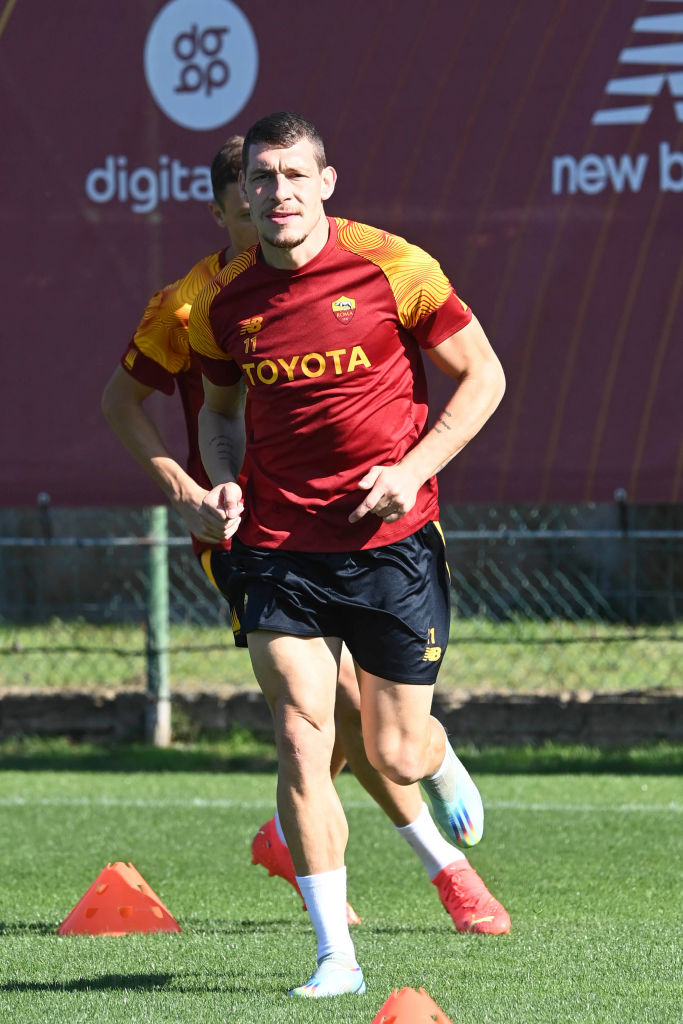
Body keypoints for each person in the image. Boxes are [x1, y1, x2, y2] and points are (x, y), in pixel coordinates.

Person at [102, 133, 508, 968]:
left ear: (319, 184)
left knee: (379, 729)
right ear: (226, 207)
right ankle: (421, 885)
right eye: (253, 189)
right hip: (257, 531)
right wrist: (190, 490)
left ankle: (408, 774)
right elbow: (138, 405)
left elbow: (479, 373)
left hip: (373, 535)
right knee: (310, 724)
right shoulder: (197, 302)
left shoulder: (378, 264)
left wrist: (410, 466)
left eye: (288, 181)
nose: (269, 204)